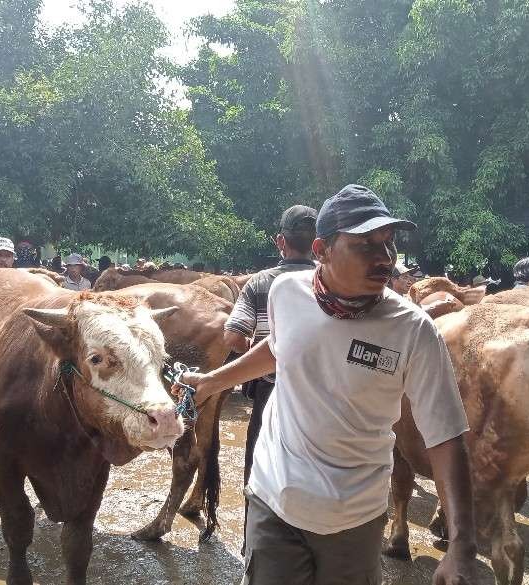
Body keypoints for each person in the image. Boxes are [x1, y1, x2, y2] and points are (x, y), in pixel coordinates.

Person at [179, 184, 476, 585]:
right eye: (365, 246)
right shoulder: (285, 292)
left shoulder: (413, 330)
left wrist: (462, 544)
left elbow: (446, 437)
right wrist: (212, 381)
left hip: (355, 517)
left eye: (388, 244)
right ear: (321, 250)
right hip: (274, 498)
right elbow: (282, 345)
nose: (384, 259)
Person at [223, 204, 317, 530]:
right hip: (320, 395)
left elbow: (233, 335)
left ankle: (255, 539)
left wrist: (256, 353)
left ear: (281, 241)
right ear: (317, 242)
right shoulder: (330, 283)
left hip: (269, 389)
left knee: (259, 464)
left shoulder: (261, 282)